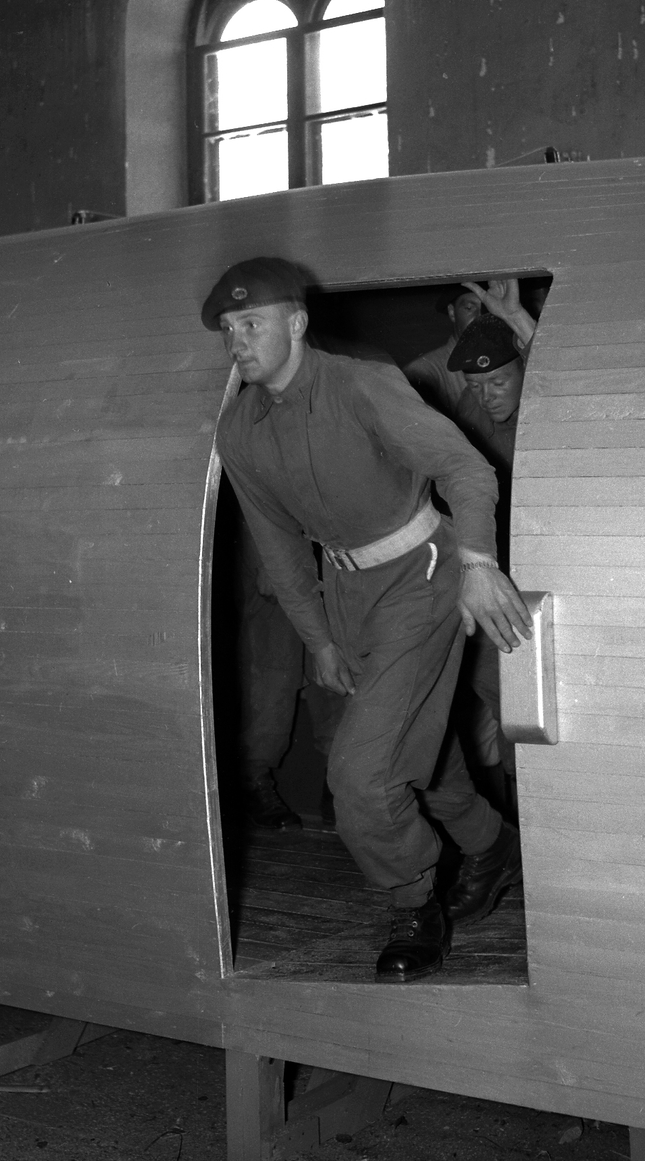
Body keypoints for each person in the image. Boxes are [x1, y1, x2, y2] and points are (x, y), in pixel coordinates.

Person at [202, 256, 533, 983]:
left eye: (251, 323)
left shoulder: (361, 386)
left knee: (360, 774)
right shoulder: (240, 432)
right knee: (418, 752)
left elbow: (464, 469)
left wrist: (479, 562)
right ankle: (490, 845)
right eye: (228, 328)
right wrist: (319, 639)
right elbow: (279, 549)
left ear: (296, 322)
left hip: (424, 577)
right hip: (347, 600)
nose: (237, 341)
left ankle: (413, 904)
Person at [445, 279, 537, 811]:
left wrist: (520, 321)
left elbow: (571, 373)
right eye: (476, 385)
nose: (487, 395)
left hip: (547, 574)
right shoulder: (471, 410)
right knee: (503, 700)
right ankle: (519, 825)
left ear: (526, 367)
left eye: (499, 381)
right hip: (493, 577)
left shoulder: (545, 400)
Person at [234, 506, 344, 830]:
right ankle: (252, 780)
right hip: (271, 527)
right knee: (274, 665)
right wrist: (268, 556)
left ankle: (340, 785)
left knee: (336, 669)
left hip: (326, 538)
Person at [402, 286, 484, 416]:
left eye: (488, 309)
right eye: (469, 308)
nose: (480, 317)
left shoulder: (508, 363)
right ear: (452, 312)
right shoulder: (422, 372)